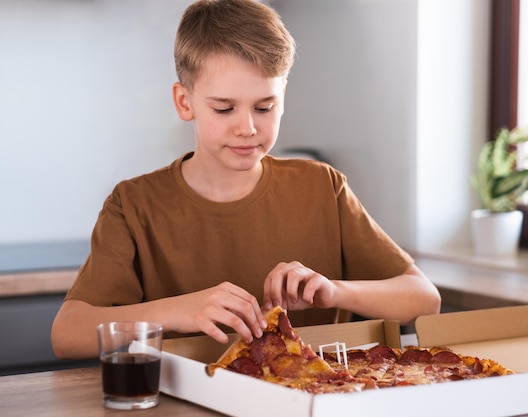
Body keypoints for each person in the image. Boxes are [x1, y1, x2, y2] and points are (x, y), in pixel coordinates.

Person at [51, 0, 441, 359]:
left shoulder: (323, 187)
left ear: (283, 97)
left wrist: (335, 291)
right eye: (224, 108)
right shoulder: (133, 204)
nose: (248, 128)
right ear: (184, 102)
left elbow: (425, 300)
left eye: (264, 106)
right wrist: (176, 311)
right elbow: (66, 333)